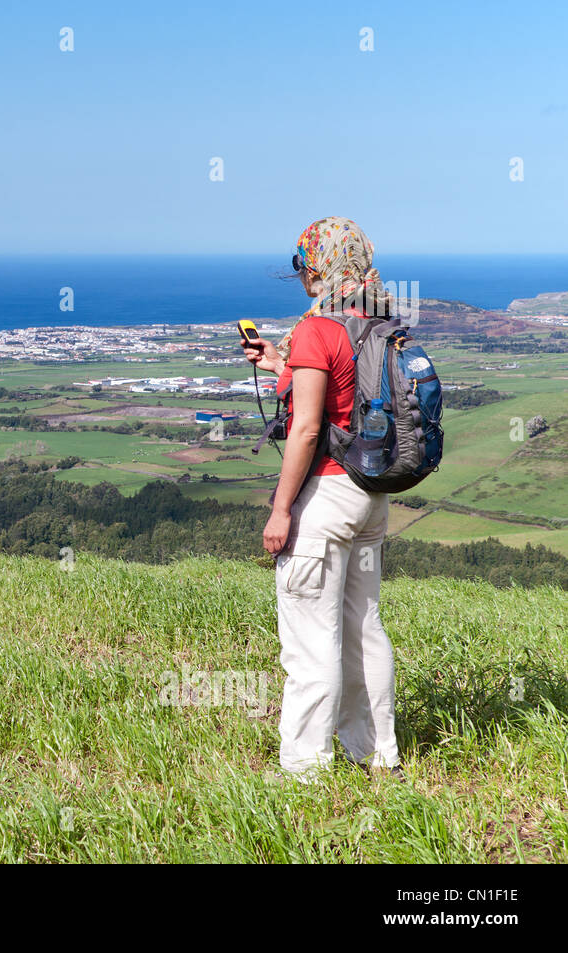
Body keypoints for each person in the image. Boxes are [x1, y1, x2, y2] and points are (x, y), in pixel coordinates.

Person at [243, 217, 402, 781]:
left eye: (302, 262)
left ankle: (303, 772)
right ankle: (376, 755)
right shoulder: (377, 321)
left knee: (312, 643)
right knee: (365, 629)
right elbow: (345, 396)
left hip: (326, 498)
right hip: (370, 496)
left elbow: (308, 429)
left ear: (319, 263)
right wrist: (279, 365)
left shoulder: (316, 330)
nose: (301, 273)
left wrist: (281, 509)